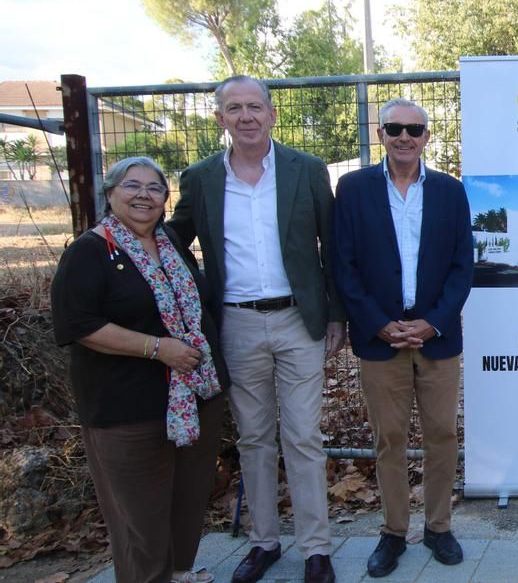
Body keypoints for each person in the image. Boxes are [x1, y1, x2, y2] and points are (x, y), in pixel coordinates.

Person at [168, 75, 346, 583]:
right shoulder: (200, 178)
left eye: (254, 107)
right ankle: (265, 542)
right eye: (234, 108)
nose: (245, 116)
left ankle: (316, 549)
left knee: (303, 437)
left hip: (298, 320)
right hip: (237, 323)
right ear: (220, 117)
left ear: (271, 114)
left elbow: (330, 247)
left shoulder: (306, 170)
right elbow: (174, 240)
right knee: (253, 438)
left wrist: (336, 313)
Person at [51, 156, 229, 583]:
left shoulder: (170, 244)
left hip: (192, 396)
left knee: (185, 501)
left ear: (166, 201)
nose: (143, 196)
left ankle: (180, 572)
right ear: (110, 193)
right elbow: (79, 325)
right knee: (141, 516)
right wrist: (157, 348)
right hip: (127, 406)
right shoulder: (89, 252)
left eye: (154, 188)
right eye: (132, 186)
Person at [332, 98, 474, 576]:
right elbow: (343, 265)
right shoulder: (352, 189)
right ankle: (393, 532)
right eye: (395, 127)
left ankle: (438, 527)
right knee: (388, 439)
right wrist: (377, 322)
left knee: (441, 435)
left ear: (427, 136)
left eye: (414, 128)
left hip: (436, 335)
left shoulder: (451, 192)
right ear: (381, 133)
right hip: (380, 339)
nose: (404, 136)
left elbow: (462, 267)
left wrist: (432, 322)